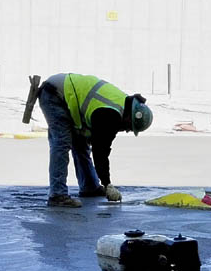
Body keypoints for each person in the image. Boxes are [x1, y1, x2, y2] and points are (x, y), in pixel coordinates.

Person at [37, 73, 153, 208]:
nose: (126, 130)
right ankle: (57, 195)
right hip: (54, 95)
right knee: (61, 143)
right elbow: (100, 152)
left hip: (63, 94)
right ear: (129, 117)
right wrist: (107, 183)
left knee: (80, 143)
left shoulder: (122, 104)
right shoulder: (111, 115)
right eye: (129, 126)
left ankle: (90, 187)